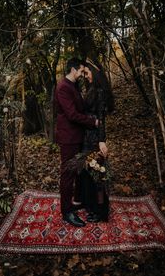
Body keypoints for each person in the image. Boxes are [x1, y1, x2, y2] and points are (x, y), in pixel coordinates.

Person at [55, 57, 98, 227]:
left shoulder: (73, 86)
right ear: (73, 70)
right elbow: (72, 114)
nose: (82, 74)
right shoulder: (63, 87)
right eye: (81, 71)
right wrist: (92, 122)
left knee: (77, 172)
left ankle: (74, 202)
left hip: (77, 136)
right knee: (67, 174)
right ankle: (66, 212)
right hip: (68, 138)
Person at [79, 57, 114, 222]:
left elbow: (101, 117)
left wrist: (102, 140)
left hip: (94, 138)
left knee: (97, 175)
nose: (85, 75)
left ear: (94, 71)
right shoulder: (92, 88)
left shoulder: (99, 91)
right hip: (87, 137)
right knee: (89, 174)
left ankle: (101, 212)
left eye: (87, 72)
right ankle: (92, 207)